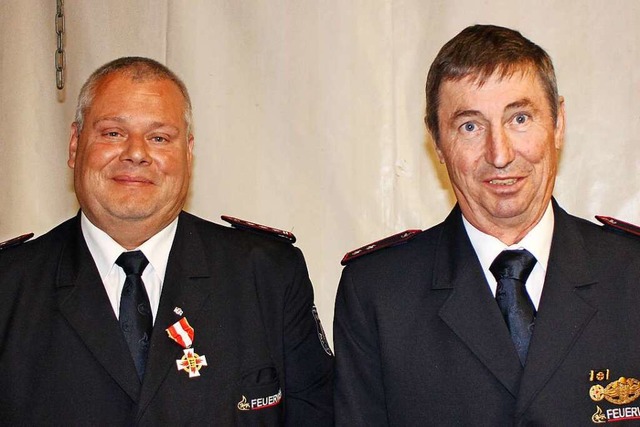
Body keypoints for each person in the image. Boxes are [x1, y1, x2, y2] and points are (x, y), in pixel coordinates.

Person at [334, 24, 640, 425]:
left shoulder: (631, 274)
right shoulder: (378, 293)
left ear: (558, 123)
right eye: (470, 126)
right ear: (438, 142)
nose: (500, 154)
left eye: (520, 118)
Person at [0, 57, 333, 425]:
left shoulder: (267, 275)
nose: (137, 153)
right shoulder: (10, 286)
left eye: (159, 138)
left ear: (188, 153)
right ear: (75, 145)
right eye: (113, 133)